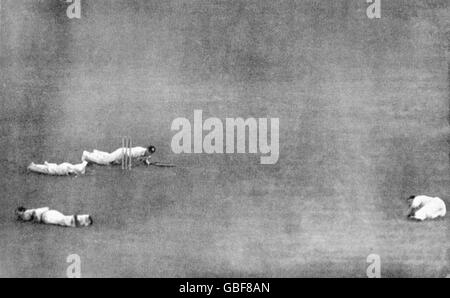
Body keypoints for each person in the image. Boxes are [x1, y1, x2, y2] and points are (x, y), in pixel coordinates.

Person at [16, 207, 93, 228]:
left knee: (63, 220)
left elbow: (35, 214)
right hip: (49, 213)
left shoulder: (28, 212)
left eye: (19, 213)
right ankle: (84, 219)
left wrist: (35, 220)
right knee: (63, 219)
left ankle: (84, 219)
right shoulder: (27, 214)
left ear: (22, 210)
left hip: (46, 216)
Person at [82, 145, 156, 165]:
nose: (149, 153)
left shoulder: (147, 154)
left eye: (151, 152)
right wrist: (118, 161)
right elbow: (127, 156)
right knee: (105, 161)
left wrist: (146, 161)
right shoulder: (138, 151)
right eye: (149, 151)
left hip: (124, 153)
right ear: (147, 149)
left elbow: (145, 158)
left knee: (109, 156)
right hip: (122, 153)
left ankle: (96, 153)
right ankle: (86, 155)